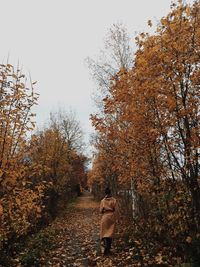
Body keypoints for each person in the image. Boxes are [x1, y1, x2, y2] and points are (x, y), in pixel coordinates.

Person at [100, 187, 117, 255]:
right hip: (112, 217)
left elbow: (100, 211)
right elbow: (117, 210)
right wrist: (117, 218)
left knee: (104, 233)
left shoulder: (102, 201)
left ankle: (105, 246)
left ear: (105, 193)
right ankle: (108, 249)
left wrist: (104, 211)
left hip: (105, 217)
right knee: (110, 234)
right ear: (110, 192)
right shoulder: (114, 200)